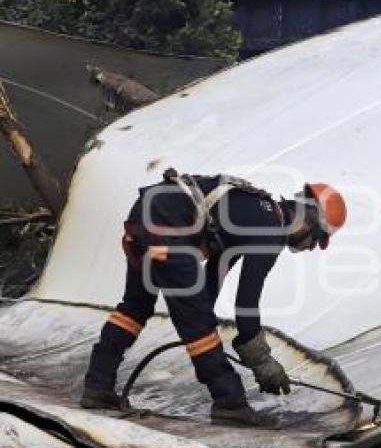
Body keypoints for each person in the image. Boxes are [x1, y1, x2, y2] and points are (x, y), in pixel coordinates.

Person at [80, 169, 347, 427]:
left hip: (145, 218)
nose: (310, 248)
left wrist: (201, 310)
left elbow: (213, 276)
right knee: (198, 326)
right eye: (315, 240)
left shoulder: (255, 210)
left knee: (136, 307)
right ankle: (230, 404)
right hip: (166, 228)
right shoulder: (270, 231)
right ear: (309, 221)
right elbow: (246, 303)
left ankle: (97, 386)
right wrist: (261, 362)